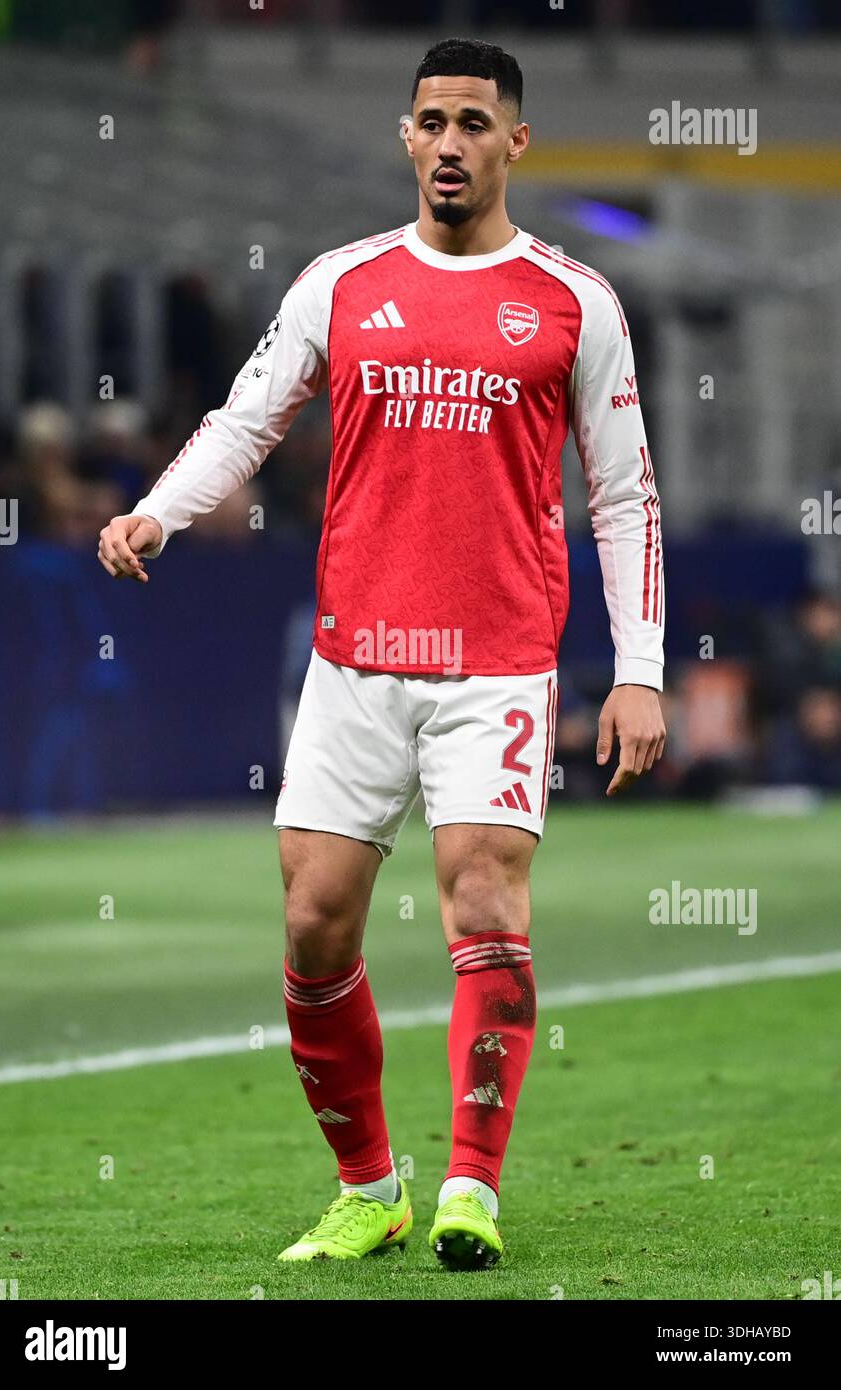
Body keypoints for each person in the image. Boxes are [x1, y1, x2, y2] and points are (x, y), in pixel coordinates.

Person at [97, 37, 666, 1271]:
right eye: (430, 121)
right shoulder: (340, 285)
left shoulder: (576, 302)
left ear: (515, 142)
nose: (450, 142)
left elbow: (622, 497)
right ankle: (371, 1187)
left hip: (497, 659)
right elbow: (246, 417)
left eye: (474, 121)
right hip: (355, 664)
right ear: (403, 137)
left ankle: (472, 1184)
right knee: (312, 926)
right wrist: (158, 508)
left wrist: (640, 668)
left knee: (481, 897)